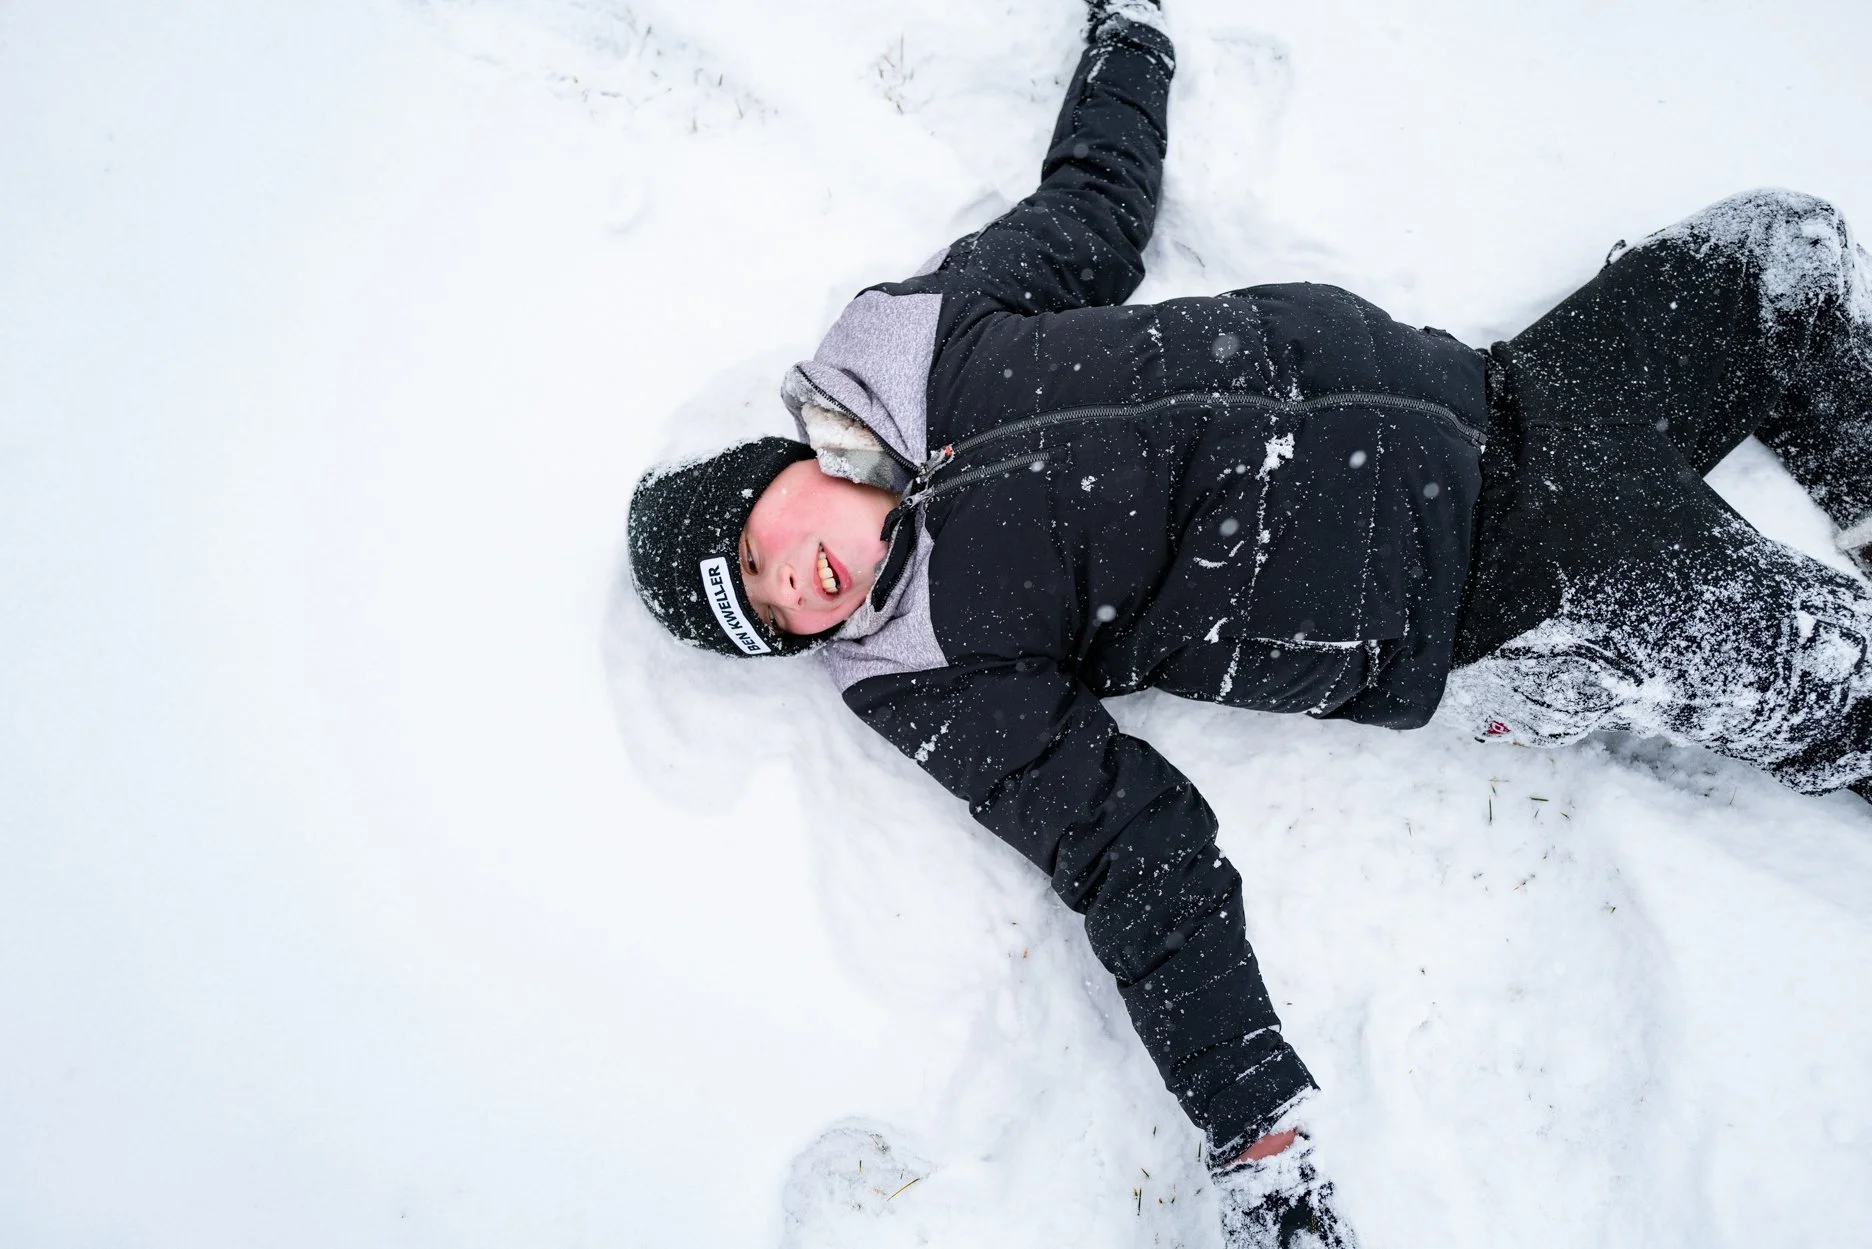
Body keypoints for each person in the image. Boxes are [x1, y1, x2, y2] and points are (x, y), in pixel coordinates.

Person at [625, 2, 1872, 1244]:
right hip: (1488, 584)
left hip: (1504, 393)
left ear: (771, 472)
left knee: (1781, 254)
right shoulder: (927, 664)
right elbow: (1129, 851)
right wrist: (1254, 1135)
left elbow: (1093, 212)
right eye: (773, 621)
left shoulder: (914, 338)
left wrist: (1133, 37)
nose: (799, 593)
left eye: (758, 556)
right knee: (1826, 666)